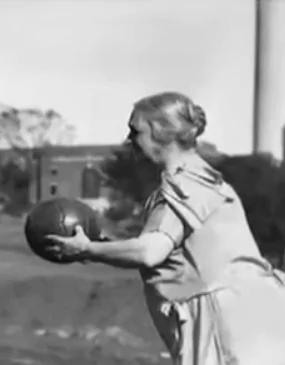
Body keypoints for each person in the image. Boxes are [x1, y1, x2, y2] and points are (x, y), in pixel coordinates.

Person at [46, 91, 285, 365]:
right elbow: (179, 251)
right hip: (258, 316)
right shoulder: (207, 179)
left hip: (228, 327)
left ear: (163, 134)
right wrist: (105, 242)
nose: (129, 140)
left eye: (135, 131)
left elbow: (150, 252)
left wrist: (86, 249)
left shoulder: (183, 187)